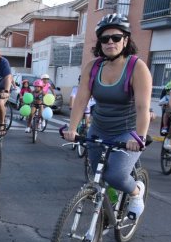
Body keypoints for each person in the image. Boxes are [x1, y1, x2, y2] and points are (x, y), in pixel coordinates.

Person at [64, 13, 152, 219]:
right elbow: (81, 100)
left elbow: (142, 107)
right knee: (98, 176)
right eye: (105, 38)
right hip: (99, 129)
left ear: (126, 40)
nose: (110, 42)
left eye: (116, 37)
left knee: (115, 175)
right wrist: (72, 128)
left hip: (127, 132)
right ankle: (110, 206)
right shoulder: (93, 67)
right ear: (100, 42)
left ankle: (136, 191)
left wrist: (138, 138)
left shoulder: (137, 67)